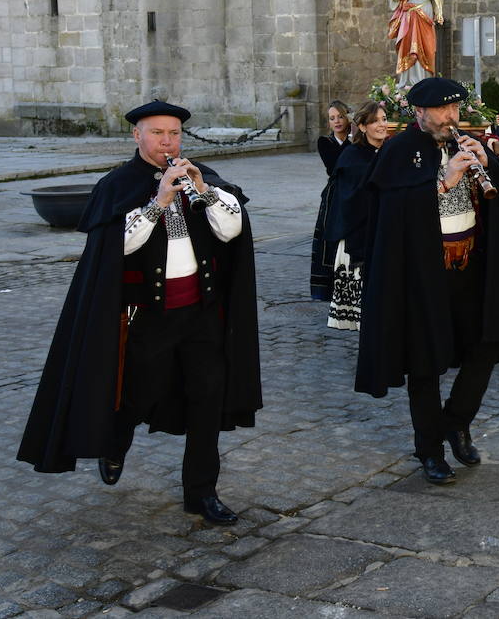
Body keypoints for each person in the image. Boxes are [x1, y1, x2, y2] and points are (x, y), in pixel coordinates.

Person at [18, 100, 261, 525]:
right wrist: (159, 201)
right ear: (137, 136)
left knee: (207, 399)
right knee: (137, 393)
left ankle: (201, 492)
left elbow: (232, 229)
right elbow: (118, 246)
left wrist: (201, 190)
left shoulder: (200, 176)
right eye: (157, 133)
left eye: (174, 133)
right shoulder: (119, 184)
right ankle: (116, 440)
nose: (167, 141)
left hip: (201, 312)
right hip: (149, 315)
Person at [354, 78, 499, 485]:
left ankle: (456, 421)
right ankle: (429, 449)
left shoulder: (465, 142)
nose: (451, 117)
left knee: (486, 345)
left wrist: (489, 164)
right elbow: (389, 213)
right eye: (442, 111)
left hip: (470, 266)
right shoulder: (400, 150)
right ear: (419, 113)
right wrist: (443, 183)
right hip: (425, 273)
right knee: (424, 361)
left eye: (456, 109)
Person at [324, 101, 390, 331]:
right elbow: (352, 201)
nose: (382, 125)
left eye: (384, 119)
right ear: (362, 127)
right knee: (366, 316)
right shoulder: (352, 157)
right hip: (358, 239)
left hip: (383, 236)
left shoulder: (387, 152)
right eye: (375, 121)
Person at [311, 100, 353, 302]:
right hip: (335, 195)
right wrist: (353, 140)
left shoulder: (356, 141)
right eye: (332, 118)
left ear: (348, 117)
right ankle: (328, 289)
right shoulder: (324, 142)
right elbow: (336, 165)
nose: (337, 121)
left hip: (354, 192)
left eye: (341, 116)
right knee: (330, 242)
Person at [388, 0, 444, 86]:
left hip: (427, 13)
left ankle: (425, 79)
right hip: (412, 15)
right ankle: (410, 80)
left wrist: (439, 13)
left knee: (427, 47)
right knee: (411, 46)